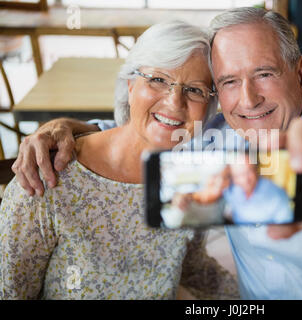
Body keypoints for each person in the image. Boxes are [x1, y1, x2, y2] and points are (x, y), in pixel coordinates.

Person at [11, 8, 302, 299]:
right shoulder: (215, 132)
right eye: (229, 82)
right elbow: (131, 133)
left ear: (300, 73)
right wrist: (59, 129)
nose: (249, 99)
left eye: (264, 73)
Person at [0, 21, 239, 299]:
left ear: (208, 107)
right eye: (158, 80)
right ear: (130, 85)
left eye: (195, 90)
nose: (175, 102)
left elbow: (191, 269)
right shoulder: (48, 176)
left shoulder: (189, 174)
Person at [224, 156, 292, 224]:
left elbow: (286, 226)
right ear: (232, 178)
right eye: (238, 175)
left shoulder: (277, 195)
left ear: (256, 170)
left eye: (249, 172)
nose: (245, 180)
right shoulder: (230, 189)